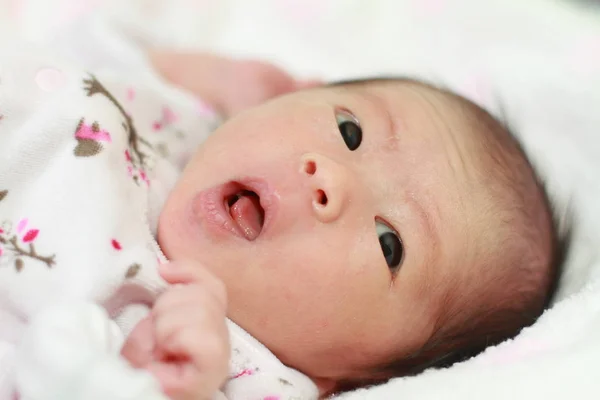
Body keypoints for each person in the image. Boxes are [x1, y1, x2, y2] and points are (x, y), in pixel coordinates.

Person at [0, 45, 567, 400]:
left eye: (389, 243)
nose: (330, 181)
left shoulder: (238, 371)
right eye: (350, 132)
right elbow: (96, 36)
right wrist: (214, 75)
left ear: (357, 378)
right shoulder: (181, 120)